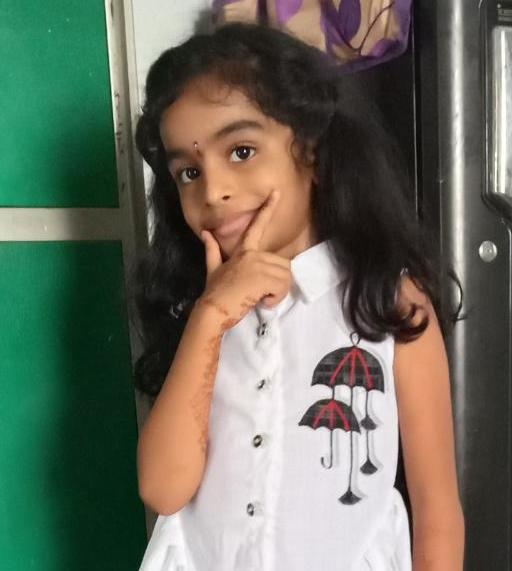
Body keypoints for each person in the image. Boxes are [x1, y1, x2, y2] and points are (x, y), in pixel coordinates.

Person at [133, 22, 464, 571]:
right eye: (188, 172)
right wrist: (210, 317)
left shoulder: (388, 300)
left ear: (309, 150)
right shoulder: (195, 310)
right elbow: (163, 490)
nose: (213, 190)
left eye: (241, 151)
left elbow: (438, 512)